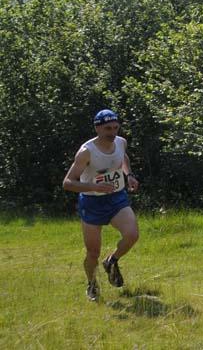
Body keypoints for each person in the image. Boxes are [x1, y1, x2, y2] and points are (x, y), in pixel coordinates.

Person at [62, 109, 140, 302]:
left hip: (116, 198)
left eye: (115, 127)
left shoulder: (120, 142)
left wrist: (128, 175)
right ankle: (92, 283)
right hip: (92, 202)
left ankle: (111, 261)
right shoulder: (87, 152)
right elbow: (67, 183)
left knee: (132, 235)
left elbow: (123, 158)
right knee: (92, 252)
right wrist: (93, 186)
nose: (112, 132)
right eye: (107, 129)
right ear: (97, 128)